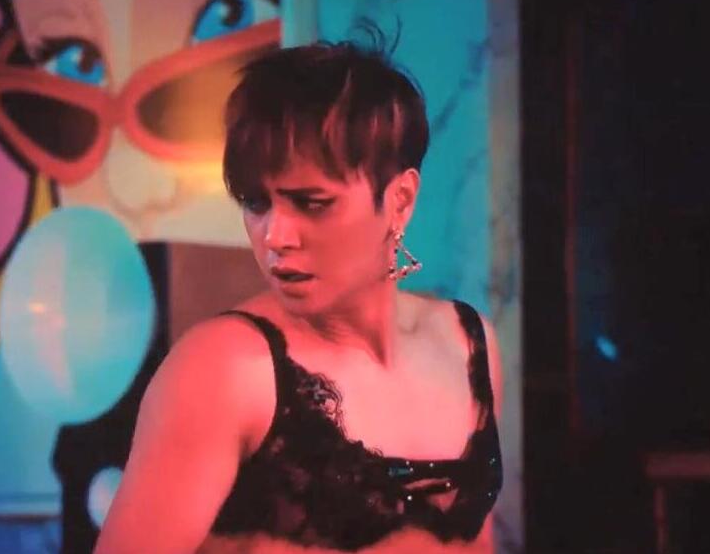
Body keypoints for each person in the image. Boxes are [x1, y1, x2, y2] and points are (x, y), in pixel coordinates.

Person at [94, 39, 504, 554]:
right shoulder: (223, 368)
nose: (275, 236)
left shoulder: (469, 343)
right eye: (255, 203)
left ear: (399, 201)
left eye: (312, 203)